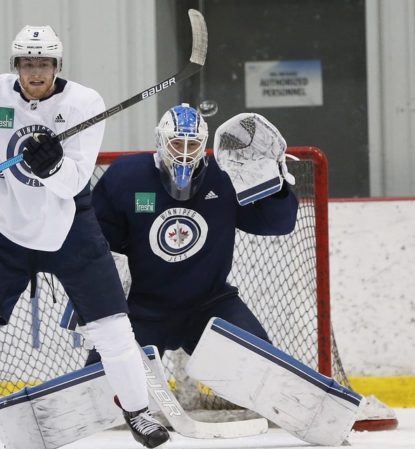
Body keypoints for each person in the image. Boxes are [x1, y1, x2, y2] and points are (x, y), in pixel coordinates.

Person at [0, 25, 168, 449]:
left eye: (44, 63)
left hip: (72, 230)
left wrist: (53, 164)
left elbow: (74, 181)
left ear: (57, 66)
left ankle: (139, 412)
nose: (35, 73)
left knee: (112, 327)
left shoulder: (83, 103)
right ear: (16, 66)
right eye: (27, 64)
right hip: (11, 231)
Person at [86, 104, 299, 365]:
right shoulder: (126, 177)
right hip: (140, 309)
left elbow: (276, 225)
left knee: (264, 367)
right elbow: (96, 245)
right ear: (160, 142)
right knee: (104, 390)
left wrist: (274, 187)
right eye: (177, 143)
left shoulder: (224, 175)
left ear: (204, 144)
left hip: (209, 305)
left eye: (193, 144)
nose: (185, 154)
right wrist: (98, 306)